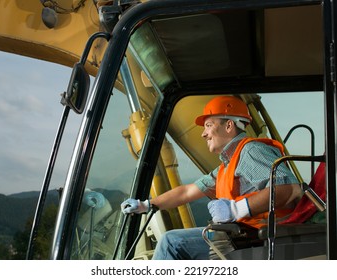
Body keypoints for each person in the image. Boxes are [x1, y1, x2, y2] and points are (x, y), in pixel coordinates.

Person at [121, 95, 302, 260]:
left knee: (172, 243)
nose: (203, 133)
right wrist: (147, 205)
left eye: (208, 125)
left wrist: (235, 209)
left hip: (258, 238)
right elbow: (187, 192)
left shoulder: (251, 151)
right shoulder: (228, 164)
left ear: (229, 125)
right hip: (242, 235)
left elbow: (289, 189)